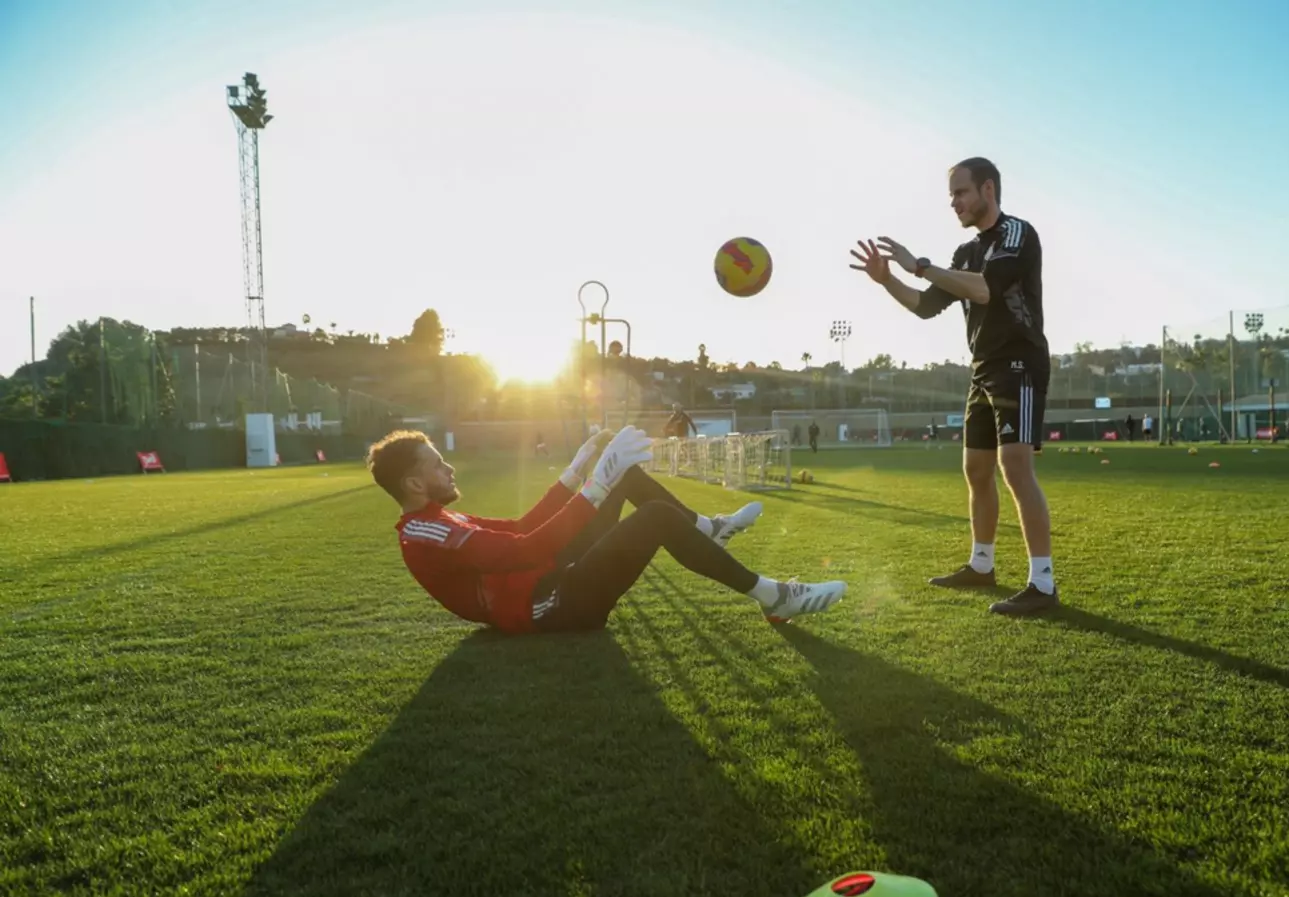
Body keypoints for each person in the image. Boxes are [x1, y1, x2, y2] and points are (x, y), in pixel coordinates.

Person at [367, 426, 847, 634]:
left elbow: (519, 527)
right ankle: (774, 596)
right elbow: (526, 546)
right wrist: (594, 485)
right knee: (654, 518)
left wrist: (576, 472)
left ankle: (708, 529)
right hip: (549, 606)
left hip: (549, 580)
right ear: (414, 484)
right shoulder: (425, 533)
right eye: (437, 464)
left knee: (626, 477)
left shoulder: (435, 521)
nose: (449, 468)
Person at [849, 156, 1058, 616]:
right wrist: (887, 280)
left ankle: (1043, 584)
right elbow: (925, 306)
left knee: (1015, 467)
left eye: (960, 193)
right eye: (951, 196)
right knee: (976, 470)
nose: (954, 203)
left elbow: (984, 289)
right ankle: (981, 565)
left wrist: (920, 265)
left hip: (1019, 363)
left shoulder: (1016, 234)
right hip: (983, 368)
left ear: (988, 190)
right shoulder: (964, 253)